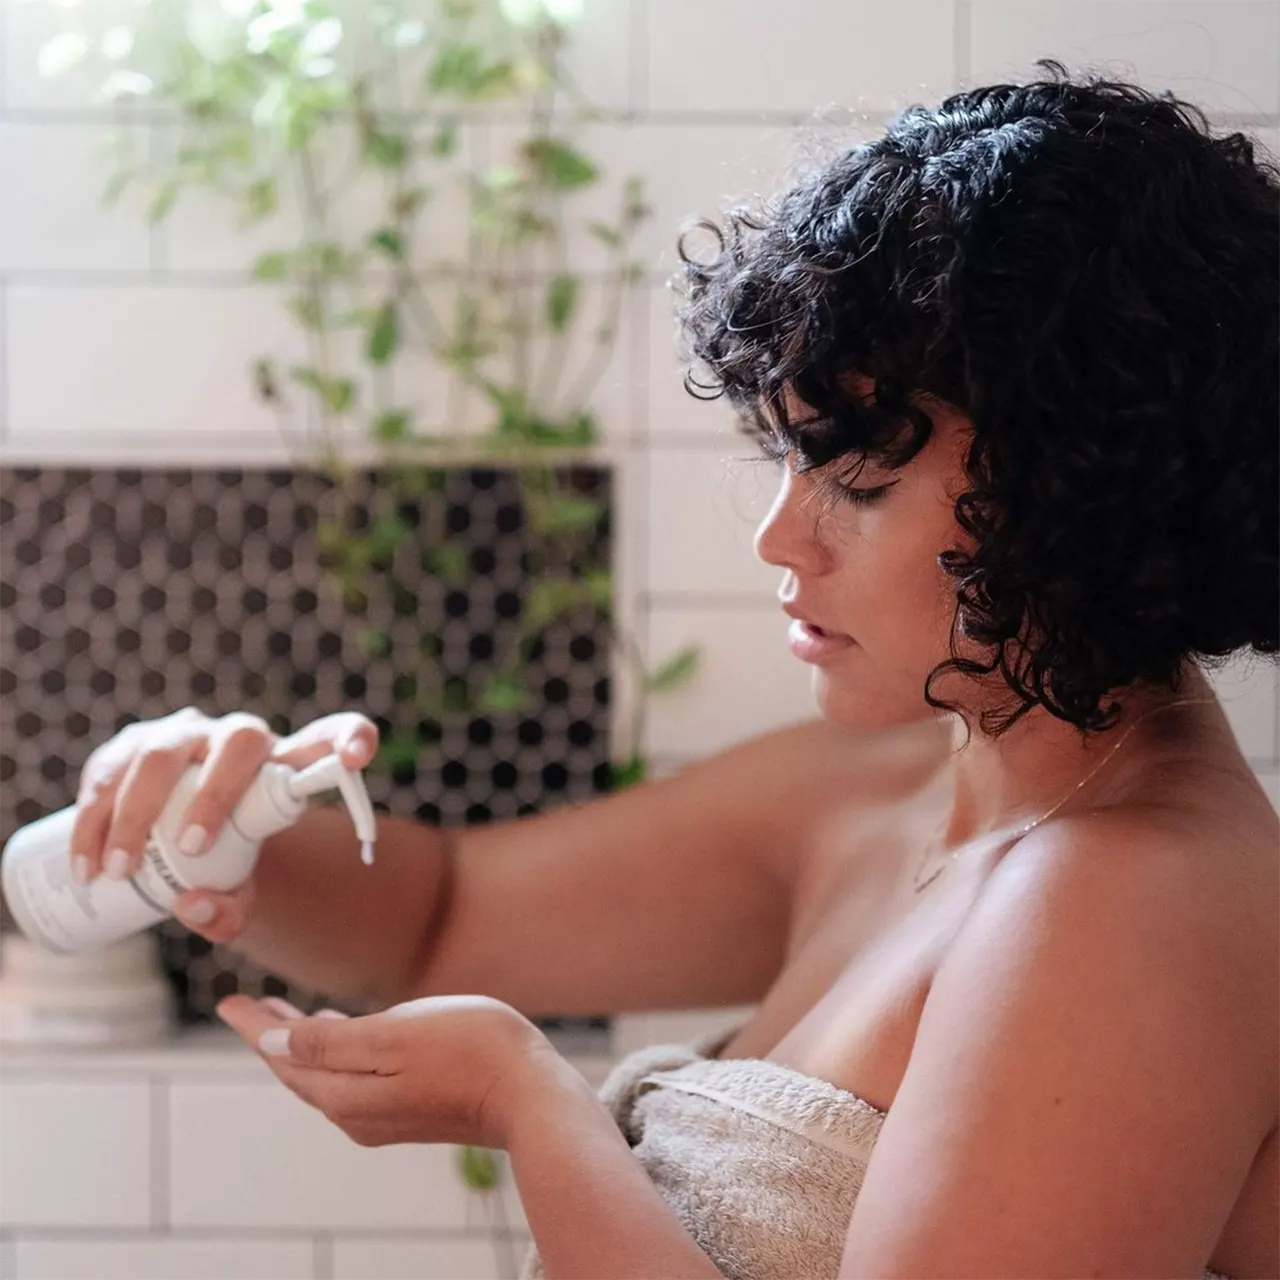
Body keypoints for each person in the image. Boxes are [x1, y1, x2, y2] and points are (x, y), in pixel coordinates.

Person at [63, 62, 1280, 1279]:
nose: (779, 536)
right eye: (792, 460)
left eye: (856, 482)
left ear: (1082, 492)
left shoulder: (1129, 899)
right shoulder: (909, 773)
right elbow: (441, 921)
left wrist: (529, 1105)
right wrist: (218, 822)